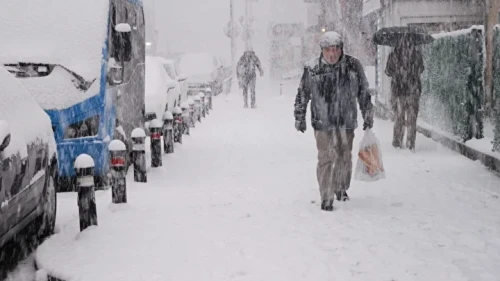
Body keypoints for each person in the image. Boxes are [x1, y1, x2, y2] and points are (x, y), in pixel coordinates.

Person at [294, 31, 374, 212]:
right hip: (322, 122)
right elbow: (302, 94)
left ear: (341, 50)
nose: (332, 54)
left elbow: (363, 92)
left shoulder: (353, 66)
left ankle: (340, 187)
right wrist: (300, 116)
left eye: (336, 50)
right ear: (322, 51)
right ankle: (326, 196)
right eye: (328, 50)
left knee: (344, 157)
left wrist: (367, 113)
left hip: (346, 121)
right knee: (325, 158)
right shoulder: (312, 68)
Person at [385, 38, 424, 151]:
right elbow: (421, 69)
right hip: (413, 91)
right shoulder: (417, 55)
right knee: (412, 119)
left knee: (399, 118)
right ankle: (410, 143)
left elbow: (388, 71)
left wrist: (398, 74)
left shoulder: (393, 55)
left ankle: (397, 142)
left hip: (398, 91)